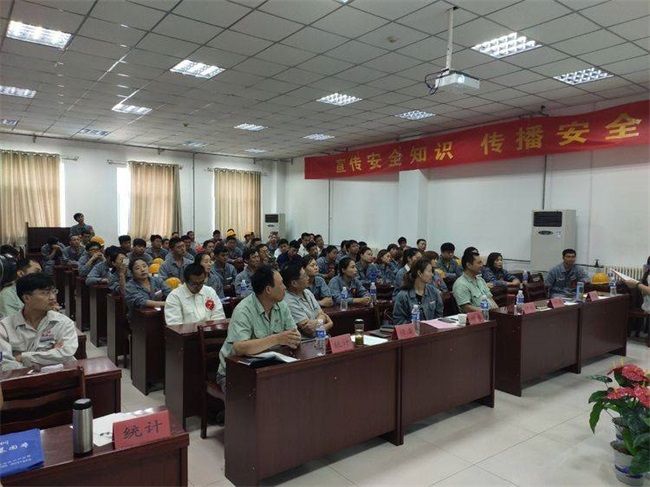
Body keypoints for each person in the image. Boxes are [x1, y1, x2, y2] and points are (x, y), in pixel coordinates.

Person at [216, 265, 301, 392]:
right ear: (268, 289)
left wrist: (294, 339)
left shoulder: (282, 305)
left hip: (267, 368)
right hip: (234, 372)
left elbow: (295, 335)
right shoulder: (243, 310)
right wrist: (277, 339)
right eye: (281, 284)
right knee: (259, 394)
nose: (285, 287)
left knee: (295, 385)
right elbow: (240, 348)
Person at [0, 273, 78, 370]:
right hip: (22, 382)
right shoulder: (5, 327)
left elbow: (66, 353)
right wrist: (49, 355)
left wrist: (22, 357)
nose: (52, 297)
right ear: (27, 298)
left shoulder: (63, 322)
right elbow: (5, 363)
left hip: (60, 379)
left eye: (53, 291)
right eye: (45, 293)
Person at [281, 263, 333, 336]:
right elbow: (310, 331)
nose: (308, 277)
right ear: (294, 283)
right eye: (305, 275)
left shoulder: (307, 292)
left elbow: (321, 313)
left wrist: (318, 320)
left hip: (321, 337)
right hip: (306, 343)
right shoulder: (288, 300)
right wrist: (329, 324)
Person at [393, 259, 444, 325]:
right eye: (429, 271)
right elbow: (399, 320)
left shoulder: (433, 291)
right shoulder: (403, 295)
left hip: (432, 331)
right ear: (419, 273)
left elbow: (439, 314)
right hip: (411, 332)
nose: (432, 275)